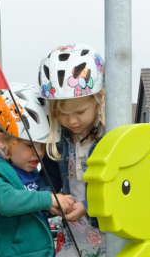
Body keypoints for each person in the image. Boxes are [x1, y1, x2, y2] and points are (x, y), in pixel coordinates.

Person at [0, 83, 74, 257]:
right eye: (30, 145)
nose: (40, 153)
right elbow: (7, 202)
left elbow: (33, 205)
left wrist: (49, 207)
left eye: (43, 146)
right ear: (1, 141)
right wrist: (47, 199)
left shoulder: (28, 172)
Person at [39, 43, 107, 256]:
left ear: (100, 98)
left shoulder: (112, 136)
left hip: (111, 232)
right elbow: (48, 178)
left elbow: (125, 185)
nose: (71, 120)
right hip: (73, 235)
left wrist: (88, 206)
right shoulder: (59, 140)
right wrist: (50, 198)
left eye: (80, 111)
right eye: (61, 114)